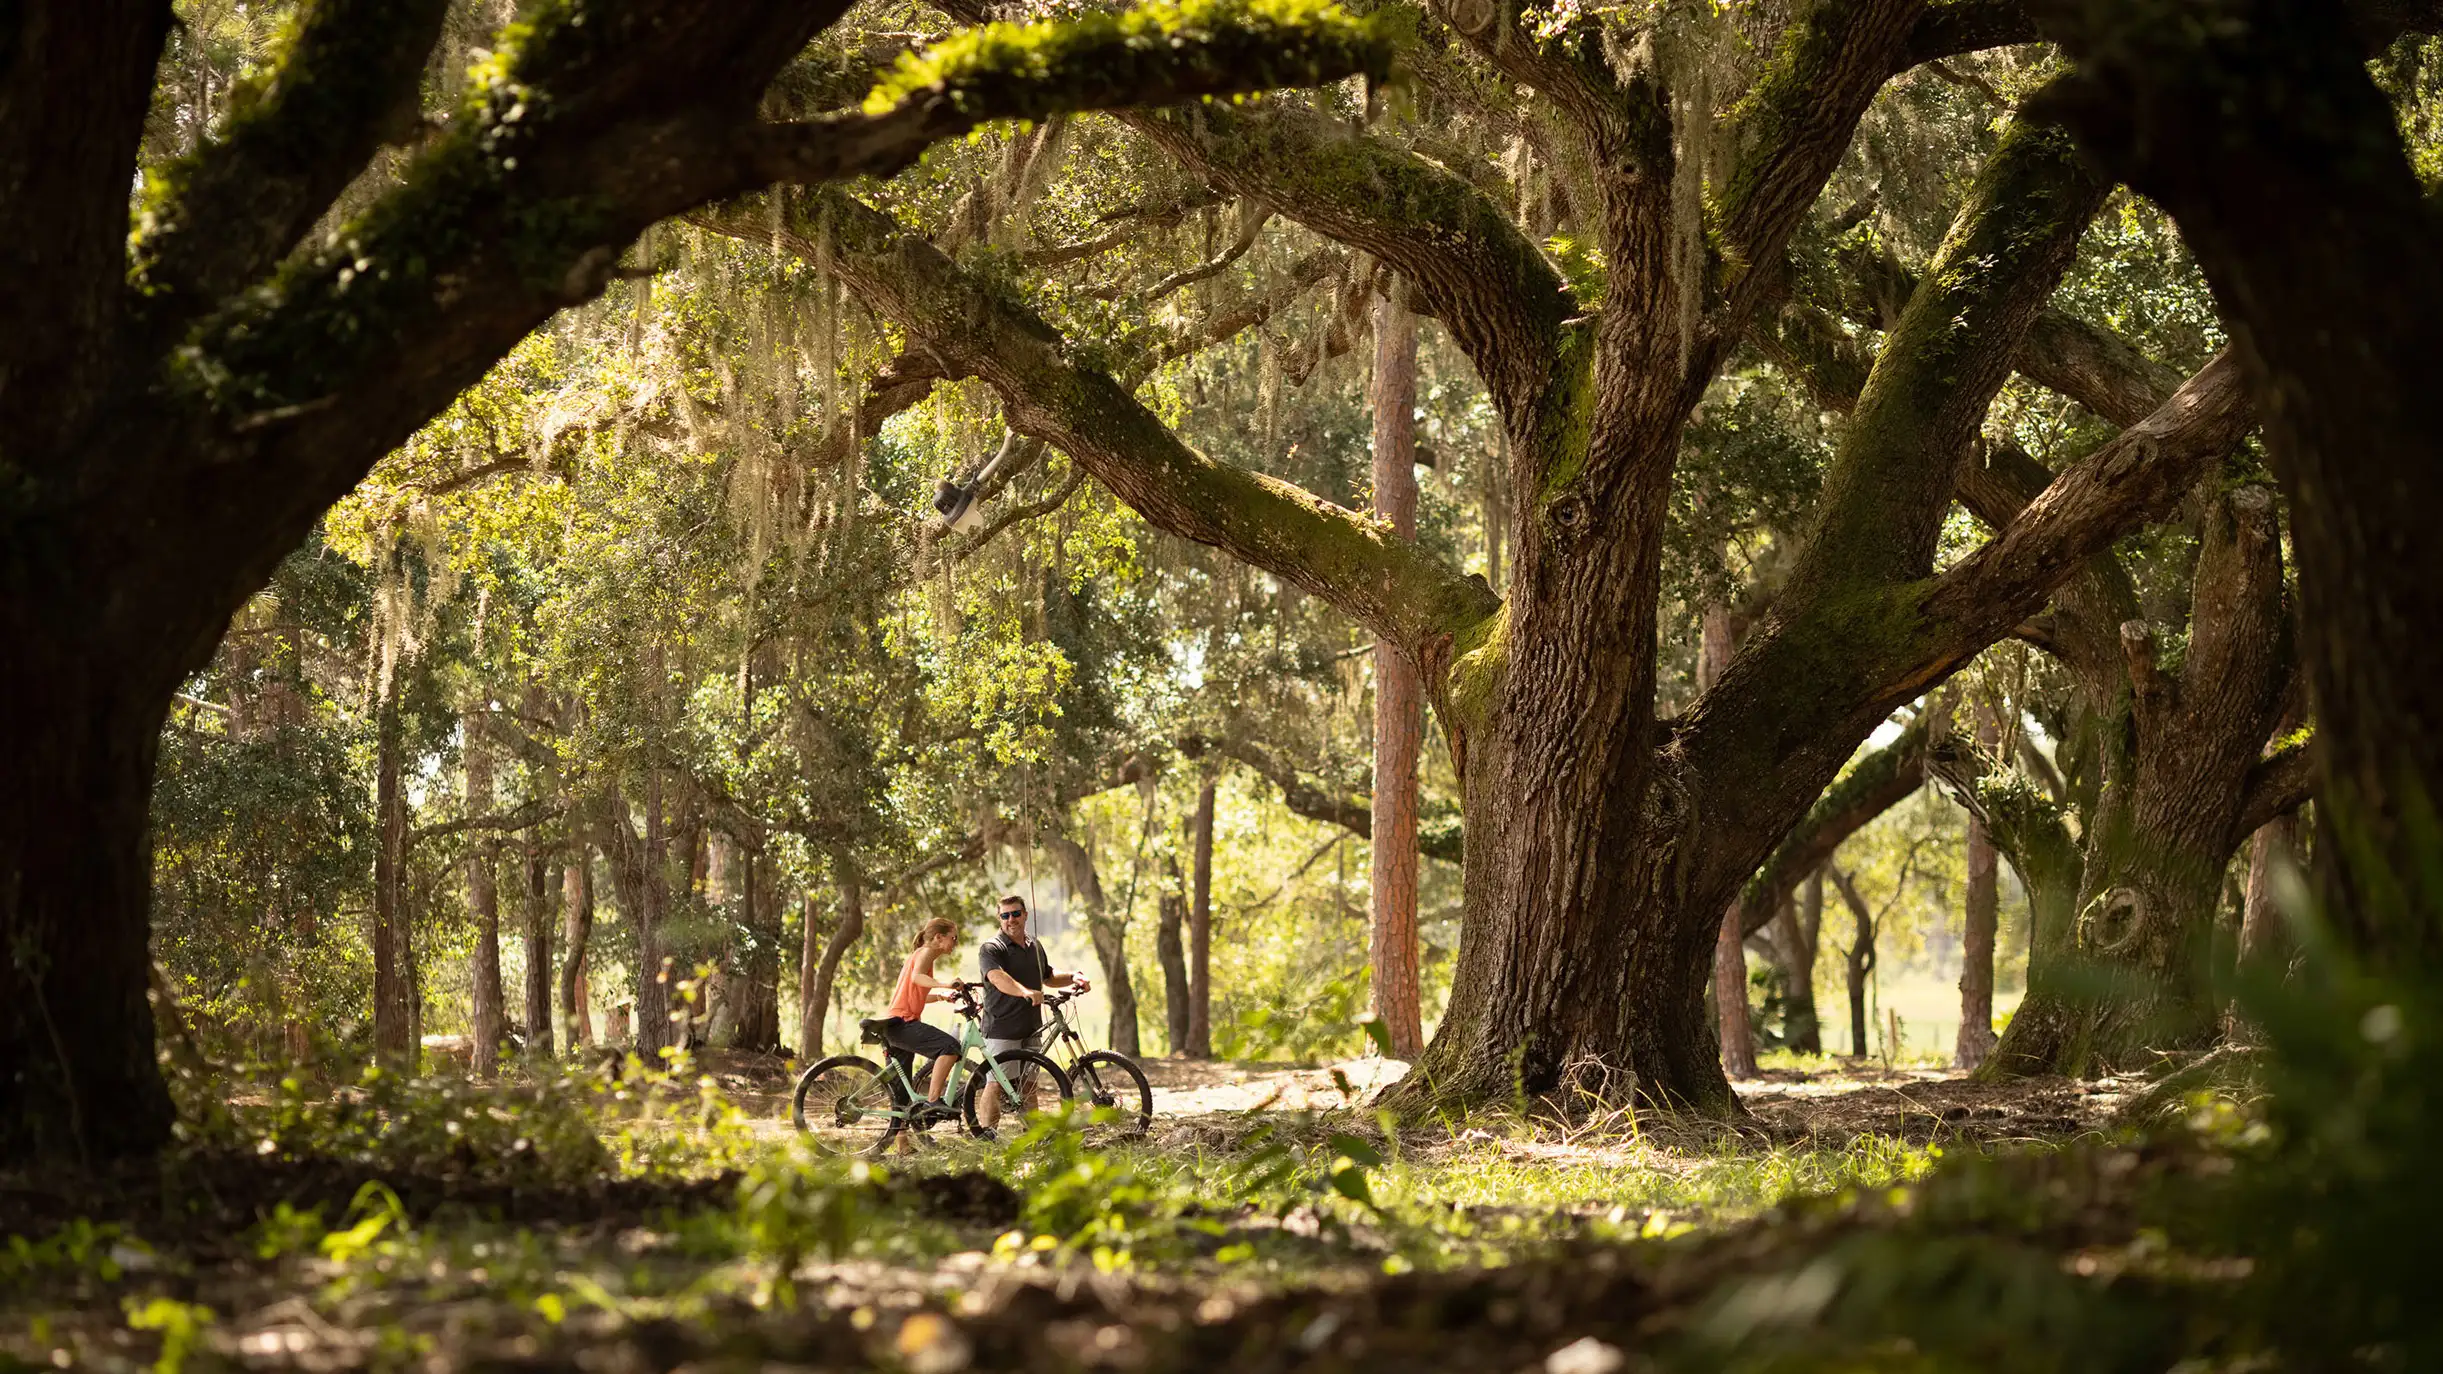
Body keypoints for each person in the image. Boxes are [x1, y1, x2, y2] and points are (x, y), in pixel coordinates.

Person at [975, 893, 1087, 1131]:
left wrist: (1074, 976)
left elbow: (1048, 976)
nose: (1011, 919)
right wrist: (1024, 991)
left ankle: (1033, 1136)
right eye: (1005, 915)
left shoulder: (1034, 945)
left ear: (1025, 915)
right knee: (996, 1084)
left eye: (1016, 913)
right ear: (999, 918)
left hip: (1031, 1027)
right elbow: (997, 978)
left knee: (1029, 1085)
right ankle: (986, 1137)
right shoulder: (991, 948)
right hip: (1002, 1029)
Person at [881, 917, 966, 1126]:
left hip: (894, 1024)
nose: (955, 943)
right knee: (950, 1047)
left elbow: (915, 993)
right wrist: (946, 984)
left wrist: (940, 997)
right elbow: (917, 978)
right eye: (953, 938)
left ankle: (902, 1144)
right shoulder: (926, 952)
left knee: (901, 1088)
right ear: (938, 937)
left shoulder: (919, 955)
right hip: (902, 1023)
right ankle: (934, 1101)